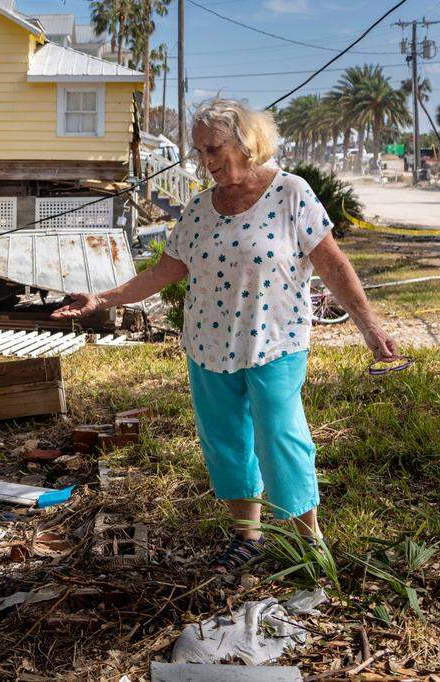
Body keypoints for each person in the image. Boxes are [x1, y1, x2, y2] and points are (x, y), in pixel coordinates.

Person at [52, 98, 399, 572]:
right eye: (200, 152)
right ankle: (247, 537)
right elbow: (163, 272)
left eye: (213, 149)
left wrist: (370, 326)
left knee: (280, 435)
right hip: (209, 345)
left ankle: (308, 542)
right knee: (226, 440)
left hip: (275, 341)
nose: (206, 161)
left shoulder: (290, 193)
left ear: (245, 142)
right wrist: (102, 300)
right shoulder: (199, 210)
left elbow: (333, 265)